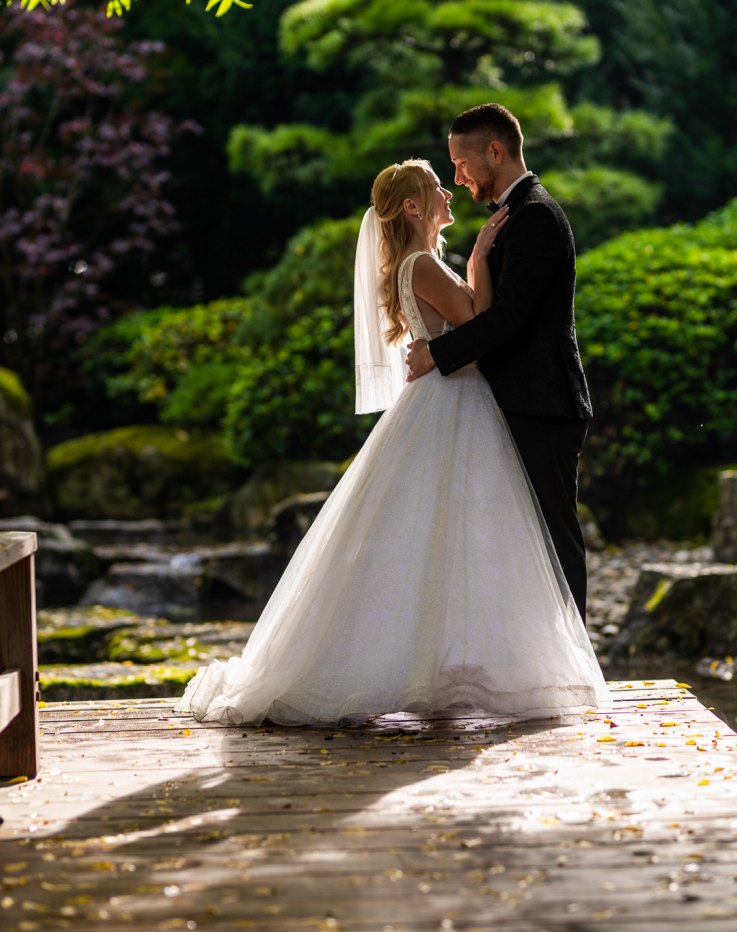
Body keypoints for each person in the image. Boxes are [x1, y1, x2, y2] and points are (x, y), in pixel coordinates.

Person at [176, 157, 607, 726]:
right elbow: (480, 317)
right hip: (454, 403)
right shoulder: (423, 263)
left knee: (442, 538)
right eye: (437, 187)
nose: (450, 194)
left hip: (451, 399)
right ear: (413, 206)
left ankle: (445, 665)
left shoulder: (420, 262)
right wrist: (479, 257)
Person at [405, 103, 593, 624]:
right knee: (524, 542)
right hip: (519, 400)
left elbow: (510, 318)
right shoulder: (513, 214)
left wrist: (434, 355)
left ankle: (576, 666)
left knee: (554, 537)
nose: (457, 177)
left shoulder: (534, 214)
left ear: (496, 151)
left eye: (463, 164)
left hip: (543, 401)